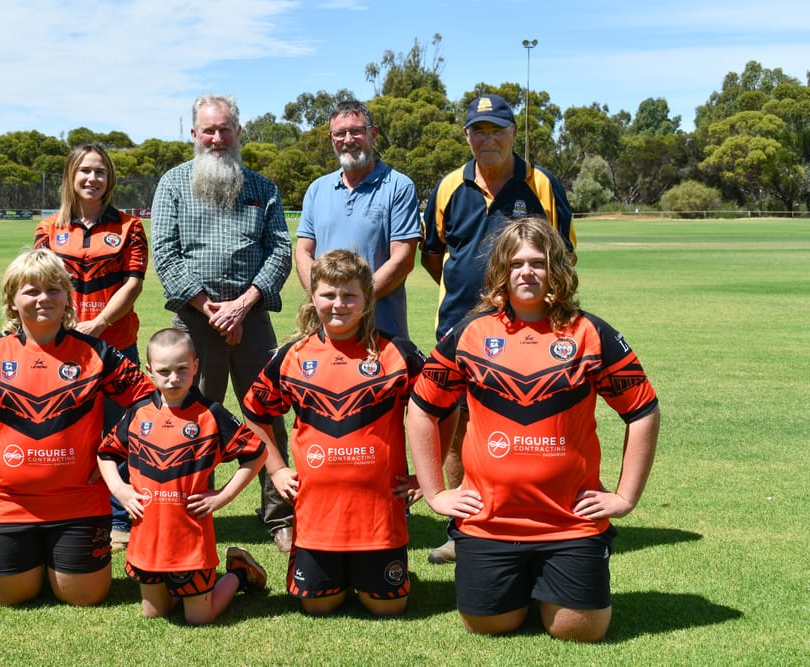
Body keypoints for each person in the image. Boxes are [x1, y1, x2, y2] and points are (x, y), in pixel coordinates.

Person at [406, 217, 660, 642]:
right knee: (487, 625)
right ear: (501, 272)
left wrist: (625, 496)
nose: (527, 272)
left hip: (569, 522)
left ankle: (550, 582)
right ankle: (520, 585)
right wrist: (435, 491)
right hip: (488, 521)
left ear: (556, 269)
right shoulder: (470, 332)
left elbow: (643, 410)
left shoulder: (590, 333)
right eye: (516, 262)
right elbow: (421, 407)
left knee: (580, 631)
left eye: (538, 263)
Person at [0, 249, 153, 607]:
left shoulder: (96, 353)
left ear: (67, 297)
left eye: (53, 289)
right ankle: (42, 562)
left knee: (84, 596)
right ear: (12, 301)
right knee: (9, 596)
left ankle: (58, 563)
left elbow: (147, 402)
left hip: (79, 500)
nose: (43, 298)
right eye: (31, 291)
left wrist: (111, 455)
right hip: (6, 501)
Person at [420, 93, 576, 565]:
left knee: (529, 423)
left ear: (512, 132)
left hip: (529, 330)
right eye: (478, 131)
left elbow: (564, 256)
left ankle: (531, 522)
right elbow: (433, 254)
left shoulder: (541, 184)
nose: (487, 139)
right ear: (467, 135)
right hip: (460, 330)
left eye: (496, 130)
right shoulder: (449, 187)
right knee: (455, 427)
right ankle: (460, 526)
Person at [242, 249, 427, 617]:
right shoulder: (292, 356)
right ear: (313, 297)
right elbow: (253, 411)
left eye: (349, 295)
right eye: (328, 294)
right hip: (317, 517)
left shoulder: (397, 354)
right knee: (318, 606)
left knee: (388, 609)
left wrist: (426, 476)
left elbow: (439, 410)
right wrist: (277, 469)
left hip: (379, 517)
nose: (338, 304)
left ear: (367, 299)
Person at [151, 93, 295, 553]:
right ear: (193, 134)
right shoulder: (173, 184)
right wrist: (210, 307)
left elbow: (280, 251)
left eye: (224, 129)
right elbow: (166, 253)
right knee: (191, 418)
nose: (216, 138)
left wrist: (244, 303)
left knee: (266, 415)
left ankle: (279, 514)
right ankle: (190, 508)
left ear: (238, 132)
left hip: (251, 321)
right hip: (194, 323)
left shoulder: (261, 186)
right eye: (208, 130)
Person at [97, 328, 268, 625]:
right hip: (147, 538)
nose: (173, 378)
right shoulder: (138, 413)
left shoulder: (210, 414)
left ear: (196, 367)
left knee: (200, 618)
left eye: (182, 369)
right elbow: (106, 453)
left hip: (190, 540)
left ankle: (238, 573)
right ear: (149, 371)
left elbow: (256, 454)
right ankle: (177, 586)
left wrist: (224, 495)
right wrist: (120, 490)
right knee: (154, 613)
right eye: (164, 371)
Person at [34, 143, 149, 551]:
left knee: (120, 434)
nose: (92, 179)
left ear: (109, 179)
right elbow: (37, 286)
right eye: (84, 171)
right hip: (62, 350)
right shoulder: (48, 229)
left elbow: (133, 284)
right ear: (71, 175)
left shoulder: (129, 227)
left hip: (115, 346)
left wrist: (99, 324)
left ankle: (121, 519)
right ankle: (73, 513)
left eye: (100, 172)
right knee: (67, 432)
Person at [295, 100, 420, 340]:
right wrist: (324, 300)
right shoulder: (317, 189)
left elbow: (403, 259)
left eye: (356, 131)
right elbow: (302, 252)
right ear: (331, 138)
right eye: (339, 133)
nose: (348, 140)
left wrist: (355, 302)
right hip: (325, 332)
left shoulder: (398, 186)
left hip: (381, 331)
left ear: (373, 134)